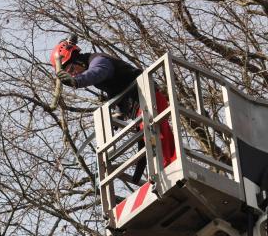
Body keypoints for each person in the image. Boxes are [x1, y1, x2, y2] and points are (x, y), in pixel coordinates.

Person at [51, 35, 176, 170]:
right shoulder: (94, 70)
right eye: (70, 73)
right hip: (141, 104)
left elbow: (97, 72)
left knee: (156, 135)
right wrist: (119, 112)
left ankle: (167, 170)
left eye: (71, 69)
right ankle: (171, 165)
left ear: (78, 60)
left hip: (149, 98)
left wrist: (76, 81)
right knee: (161, 136)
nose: (73, 74)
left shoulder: (98, 61)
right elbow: (116, 89)